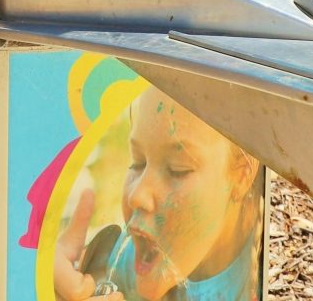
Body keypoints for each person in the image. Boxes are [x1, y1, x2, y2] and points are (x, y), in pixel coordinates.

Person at [55, 90, 265, 301]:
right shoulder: (126, 264)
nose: (136, 196)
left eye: (177, 169)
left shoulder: (259, 273)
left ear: (241, 176)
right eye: (138, 162)